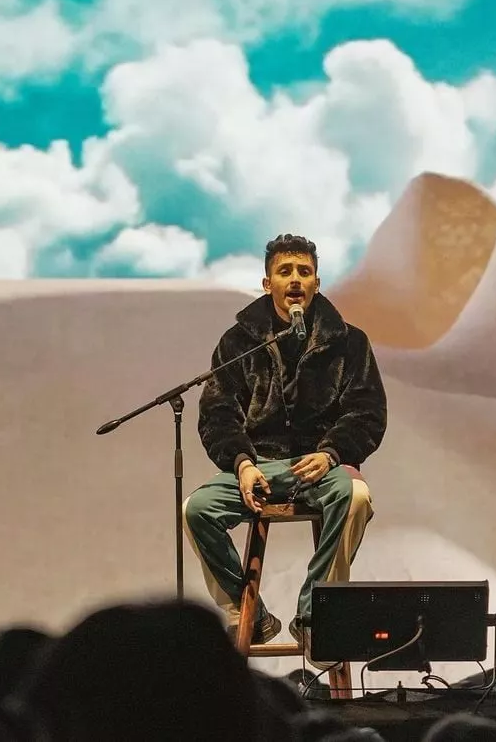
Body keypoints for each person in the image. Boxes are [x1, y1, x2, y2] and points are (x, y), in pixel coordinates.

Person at [183, 233, 387, 667]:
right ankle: (250, 615)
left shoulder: (350, 342)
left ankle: (317, 617)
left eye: (304, 272)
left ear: (316, 283)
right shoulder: (238, 342)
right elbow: (218, 413)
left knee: (356, 497)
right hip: (258, 466)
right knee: (197, 509)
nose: (295, 279)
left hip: (321, 467)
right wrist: (241, 464)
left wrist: (331, 453)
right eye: (285, 271)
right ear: (267, 283)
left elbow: (367, 412)